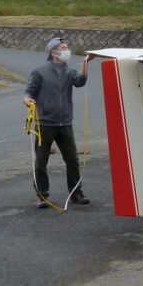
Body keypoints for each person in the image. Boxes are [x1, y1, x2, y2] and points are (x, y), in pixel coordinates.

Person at [23, 37, 93, 207]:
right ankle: (42, 196)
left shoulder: (69, 72)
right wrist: (27, 100)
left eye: (67, 47)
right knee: (41, 161)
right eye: (63, 47)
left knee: (72, 160)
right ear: (53, 52)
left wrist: (85, 62)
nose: (66, 50)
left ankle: (77, 193)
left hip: (65, 123)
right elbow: (28, 92)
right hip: (45, 123)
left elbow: (80, 82)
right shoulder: (39, 72)